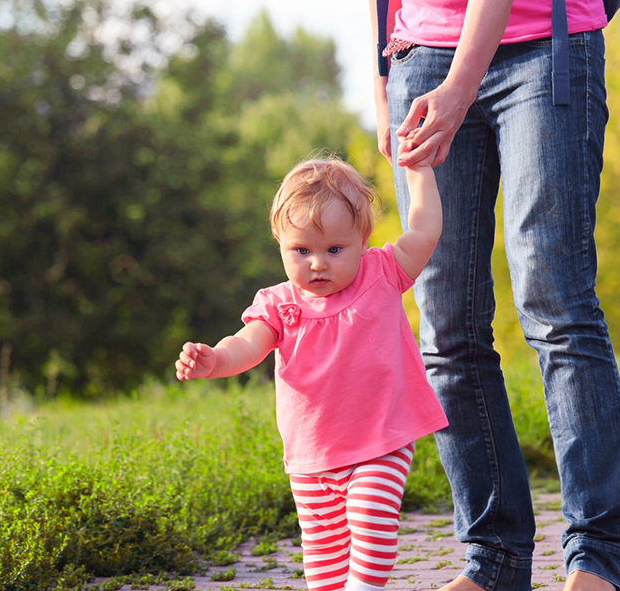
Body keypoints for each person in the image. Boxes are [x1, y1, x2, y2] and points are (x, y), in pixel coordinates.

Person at [368, 0, 620, 591]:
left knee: (555, 301)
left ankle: (595, 558)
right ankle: (495, 562)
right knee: (445, 323)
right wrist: (384, 80)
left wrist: (460, 89)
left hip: (544, 46)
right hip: (420, 55)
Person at [175, 154, 447, 591]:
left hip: (380, 440)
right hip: (311, 460)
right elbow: (246, 345)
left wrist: (418, 172)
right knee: (323, 570)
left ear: (362, 240)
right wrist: (215, 361)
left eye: (334, 249)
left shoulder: (382, 274)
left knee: (372, 520)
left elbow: (425, 231)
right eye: (301, 250)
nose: (317, 263)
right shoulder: (278, 303)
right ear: (279, 242)